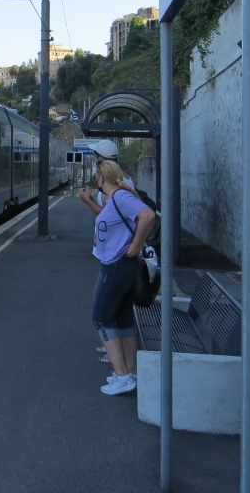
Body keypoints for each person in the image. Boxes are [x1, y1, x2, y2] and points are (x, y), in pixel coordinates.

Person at [88, 158, 155, 395]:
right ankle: (132, 372)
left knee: (101, 318)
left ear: (101, 177)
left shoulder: (121, 197)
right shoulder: (114, 198)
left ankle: (122, 375)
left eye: (96, 175)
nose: (95, 179)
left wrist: (135, 246)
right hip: (121, 265)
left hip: (116, 266)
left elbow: (148, 216)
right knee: (123, 319)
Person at [78, 139, 135, 216]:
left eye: (95, 154)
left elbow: (110, 215)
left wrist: (88, 201)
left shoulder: (111, 181)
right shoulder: (123, 175)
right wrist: (90, 198)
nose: (94, 157)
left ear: (100, 159)